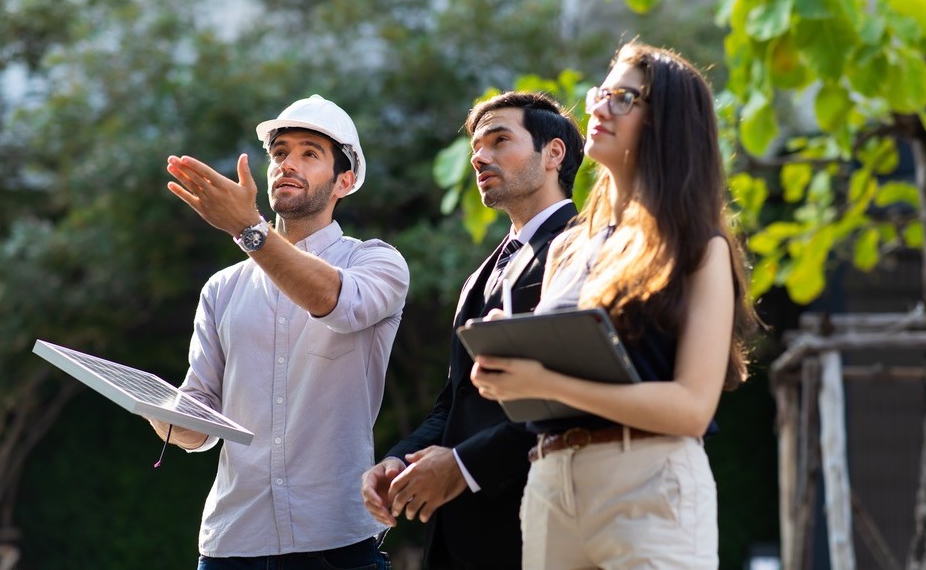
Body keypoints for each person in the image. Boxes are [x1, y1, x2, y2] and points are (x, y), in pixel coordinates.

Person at [469, 41, 758, 568]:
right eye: (603, 93)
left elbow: (692, 409)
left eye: (625, 99)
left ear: (665, 124)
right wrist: (508, 360)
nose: (598, 107)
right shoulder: (566, 246)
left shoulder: (697, 244)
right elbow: (549, 379)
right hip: (551, 483)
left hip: (649, 483)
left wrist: (544, 382)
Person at [149, 94, 409, 569]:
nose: (288, 164)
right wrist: (160, 413)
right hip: (232, 542)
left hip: (335, 539)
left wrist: (249, 230)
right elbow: (200, 426)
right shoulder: (222, 288)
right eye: (280, 153)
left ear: (344, 181)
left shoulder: (377, 262)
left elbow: (332, 302)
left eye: (310, 153)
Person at [360, 92, 585, 569]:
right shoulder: (481, 273)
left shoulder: (583, 246)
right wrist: (403, 458)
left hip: (538, 527)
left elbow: (574, 396)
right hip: (454, 536)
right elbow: (457, 399)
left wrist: (464, 466)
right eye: (475, 149)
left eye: (500, 140)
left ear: (554, 153)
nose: (480, 157)